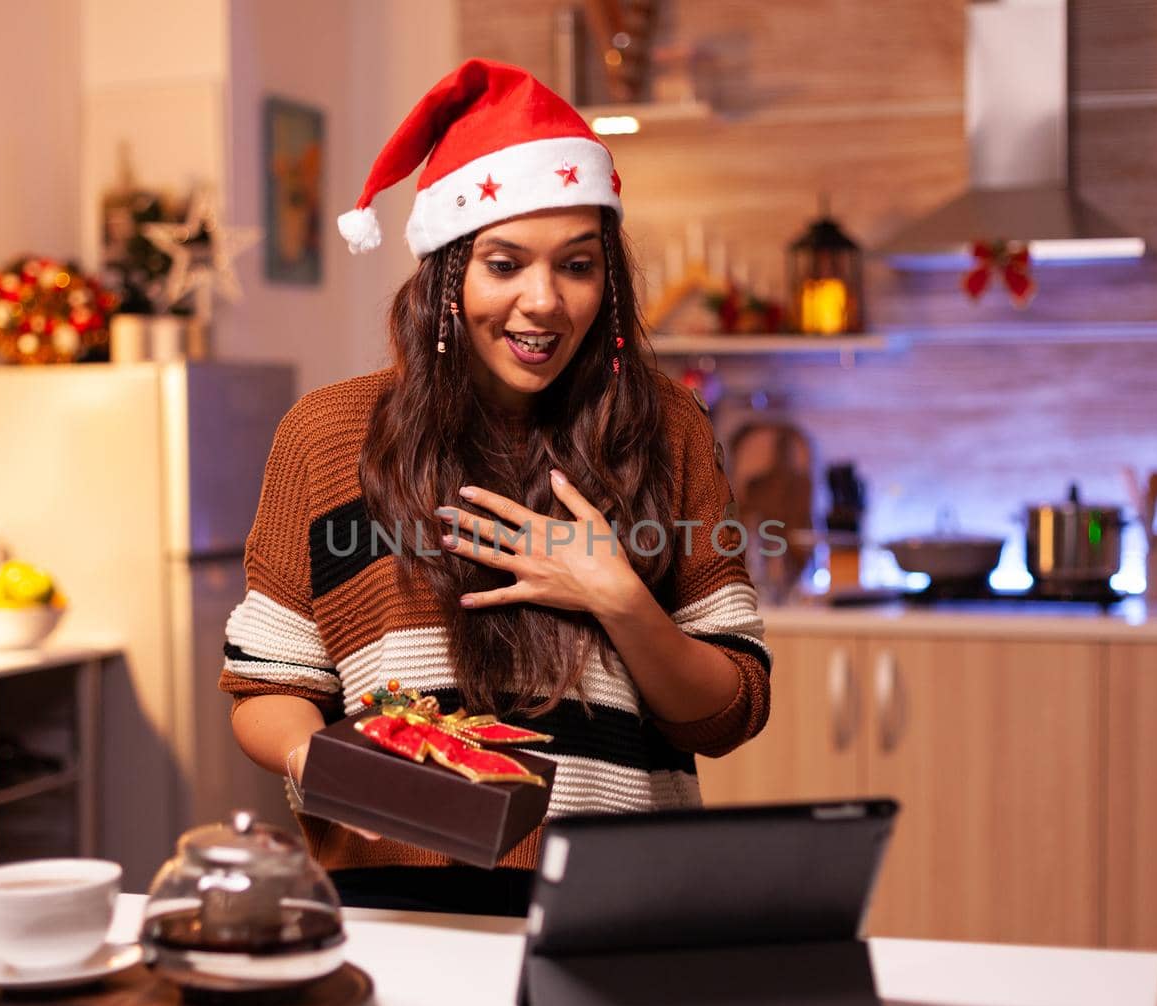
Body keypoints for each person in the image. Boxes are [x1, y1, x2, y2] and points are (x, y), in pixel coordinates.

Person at [221, 58, 771, 916]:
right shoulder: (326, 435)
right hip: (388, 906)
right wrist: (328, 764)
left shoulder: (668, 429)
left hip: (613, 904)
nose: (543, 302)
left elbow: (732, 708)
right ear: (447, 277)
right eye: (505, 264)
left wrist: (618, 596)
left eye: (578, 266)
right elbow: (269, 686)